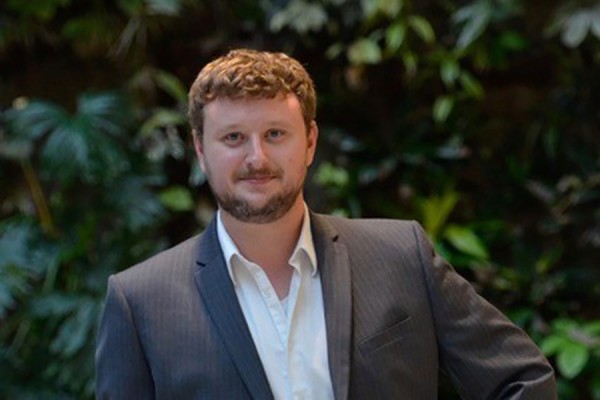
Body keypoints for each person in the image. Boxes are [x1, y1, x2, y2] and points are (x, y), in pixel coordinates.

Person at [95, 49, 556, 399]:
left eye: (275, 134)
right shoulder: (141, 303)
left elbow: (523, 379)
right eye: (233, 138)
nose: (257, 158)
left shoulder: (401, 256)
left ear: (310, 142)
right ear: (200, 149)